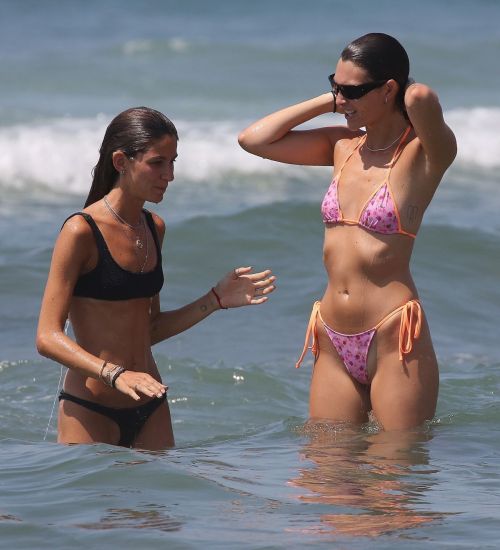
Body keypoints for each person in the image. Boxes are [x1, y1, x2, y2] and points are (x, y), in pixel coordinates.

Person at [238, 33, 456, 430]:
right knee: (326, 476)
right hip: (333, 335)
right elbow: (253, 140)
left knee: (391, 479)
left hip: (394, 334)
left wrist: (399, 92)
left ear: (389, 89)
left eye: (352, 90)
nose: (342, 100)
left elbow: (422, 97)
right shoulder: (342, 147)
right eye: (335, 86)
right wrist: (334, 99)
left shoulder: (423, 155)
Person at [37, 106, 276, 450]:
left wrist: (215, 300)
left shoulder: (153, 228)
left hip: (150, 405)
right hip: (90, 407)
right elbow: (47, 337)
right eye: (157, 162)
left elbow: (148, 329)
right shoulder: (80, 230)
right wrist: (115, 375)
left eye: (173, 162)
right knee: (91, 504)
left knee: (157, 505)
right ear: (121, 162)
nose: (170, 174)